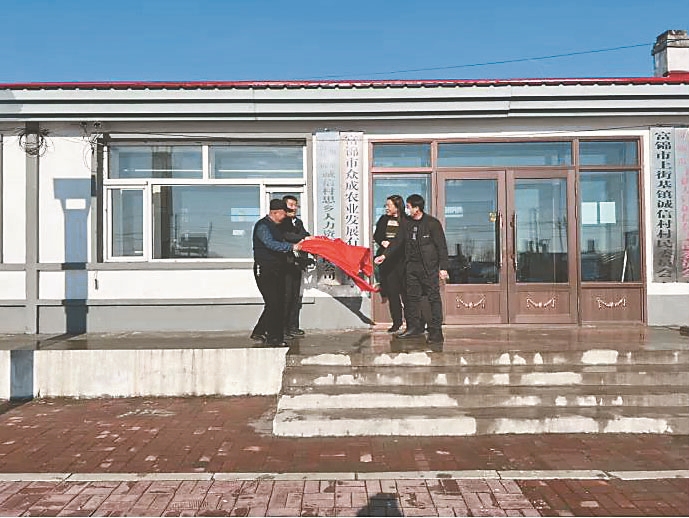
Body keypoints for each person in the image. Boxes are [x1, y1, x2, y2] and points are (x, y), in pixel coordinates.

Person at [374, 194, 449, 344]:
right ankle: (414, 327)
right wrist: (384, 255)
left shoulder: (432, 223)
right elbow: (397, 241)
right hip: (411, 267)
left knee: (433, 298)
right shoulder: (406, 224)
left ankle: (436, 331)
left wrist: (443, 268)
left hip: (428, 268)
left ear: (417, 208)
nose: (406, 210)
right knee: (412, 298)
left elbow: (441, 246)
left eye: (408, 207)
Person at [251, 199, 303, 347]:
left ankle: (259, 331)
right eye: (283, 213)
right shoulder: (263, 226)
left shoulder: (278, 227)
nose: (285, 216)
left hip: (277, 269)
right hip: (265, 269)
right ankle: (274, 338)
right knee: (274, 303)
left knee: (277, 302)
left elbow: (290, 235)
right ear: (275, 213)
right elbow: (271, 244)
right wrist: (292, 247)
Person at [373, 194, 408, 333]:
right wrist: (382, 242)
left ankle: (411, 323)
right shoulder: (383, 219)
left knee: (406, 294)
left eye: (389, 205)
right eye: (386, 205)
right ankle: (396, 322)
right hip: (387, 261)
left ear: (397, 206)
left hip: (403, 262)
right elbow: (377, 235)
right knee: (393, 293)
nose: (386, 208)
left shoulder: (406, 220)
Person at [278, 195, 311, 338]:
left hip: (297, 264)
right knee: (286, 297)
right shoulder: (281, 222)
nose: (294, 208)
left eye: (295, 205)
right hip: (286, 264)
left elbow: (305, 234)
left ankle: (293, 326)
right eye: (291, 205)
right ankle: (282, 328)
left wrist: (306, 238)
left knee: (295, 297)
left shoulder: (298, 222)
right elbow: (287, 236)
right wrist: (302, 238)